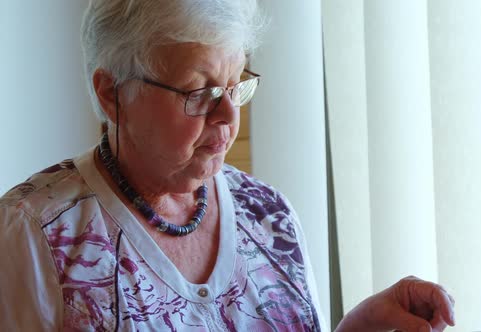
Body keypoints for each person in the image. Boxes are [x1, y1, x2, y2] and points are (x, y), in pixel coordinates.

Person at [0, 1, 455, 331]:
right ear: (112, 94)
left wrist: (361, 328)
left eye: (235, 86)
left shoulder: (267, 214)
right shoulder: (34, 233)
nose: (228, 116)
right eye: (199, 93)